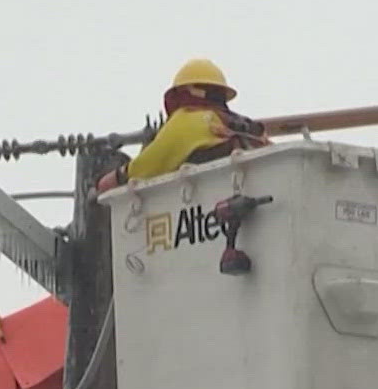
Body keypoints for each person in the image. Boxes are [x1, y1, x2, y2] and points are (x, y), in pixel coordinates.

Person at [95, 59, 270, 273]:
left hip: (202, 214)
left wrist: (114, 178)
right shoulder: (244, 127)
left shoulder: (187, 121)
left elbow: (147, 166)